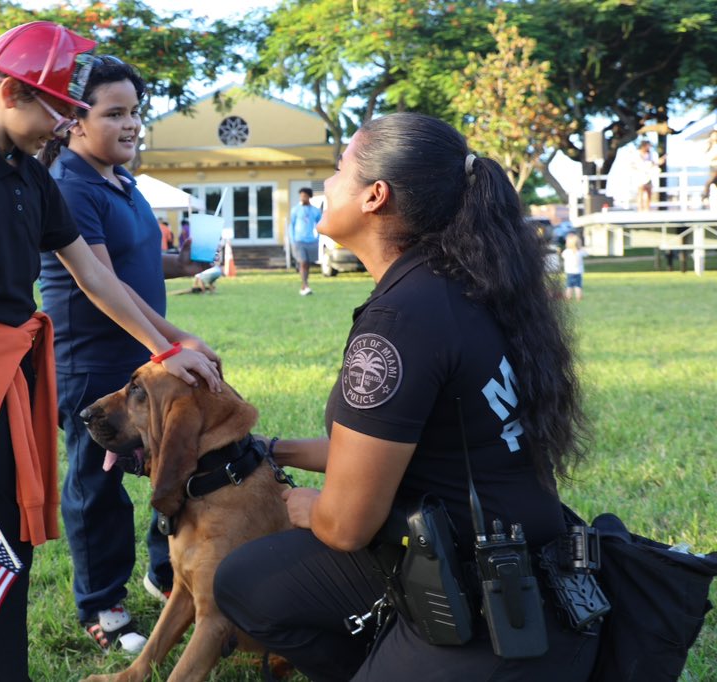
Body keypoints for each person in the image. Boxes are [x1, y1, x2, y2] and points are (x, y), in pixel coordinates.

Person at [213, 113, 597, 681]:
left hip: (482, 595)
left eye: (340, 169)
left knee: (247, 581)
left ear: (375, 195)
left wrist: (307, 506)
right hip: (537, 569)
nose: (326, 185)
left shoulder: (400, 319)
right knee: (249, 575)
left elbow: (345, 525)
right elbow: (400, 444)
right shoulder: (463, 286)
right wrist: (277, 449)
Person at [0, 22, 220, 682]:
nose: (63, 125)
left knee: (0, 528)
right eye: (56, 109)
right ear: (11, 92)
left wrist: (167, 346)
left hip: (16, 369)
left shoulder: (32, 178)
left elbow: (96, 278)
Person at [38, 55, 218, 654]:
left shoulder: (124, 182)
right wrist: (172, 345)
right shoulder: (68, 184)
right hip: (91, 361)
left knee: (168, 461)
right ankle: (101, 604)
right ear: (71, 121)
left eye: (135, 111)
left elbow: (137, 268)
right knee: (98, 484)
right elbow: (100, 282)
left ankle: (163, 570)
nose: (131, 124)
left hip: (140, 355)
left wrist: (190, 269)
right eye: (114, 113)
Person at [288, 187, 322, 295]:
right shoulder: (295, 210)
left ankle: (304, 286)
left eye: (305, 196)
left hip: (311, 241)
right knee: (303, 262)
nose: (303, 198)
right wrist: (292, 239)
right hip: (299, 240)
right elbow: (291, 225)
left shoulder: (314, 211)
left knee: (307, 264)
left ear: (309, 197)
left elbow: (320, 224)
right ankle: (305, 285)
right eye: (301, 196)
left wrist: (318, 237)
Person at [631, 140, 664, 211]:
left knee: (649, 192)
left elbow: (652, 164)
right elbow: (633, 165)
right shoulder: (637, 154)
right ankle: (640, 209)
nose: (649, 147)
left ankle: (647, 209)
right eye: (648, 145)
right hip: (640, 176)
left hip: (648, 176)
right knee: (640, 192)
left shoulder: (650, 154)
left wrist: (658, 163)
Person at [562, 232, 586, 301]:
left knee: (569, 286)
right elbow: (586, 254)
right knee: (578, 286)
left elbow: (562, 255)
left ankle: (568, 297)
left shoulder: (566, 252)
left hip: (569, 272)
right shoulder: (580, 252)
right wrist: (580, 248)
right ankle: (579, 298)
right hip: (578, 272)